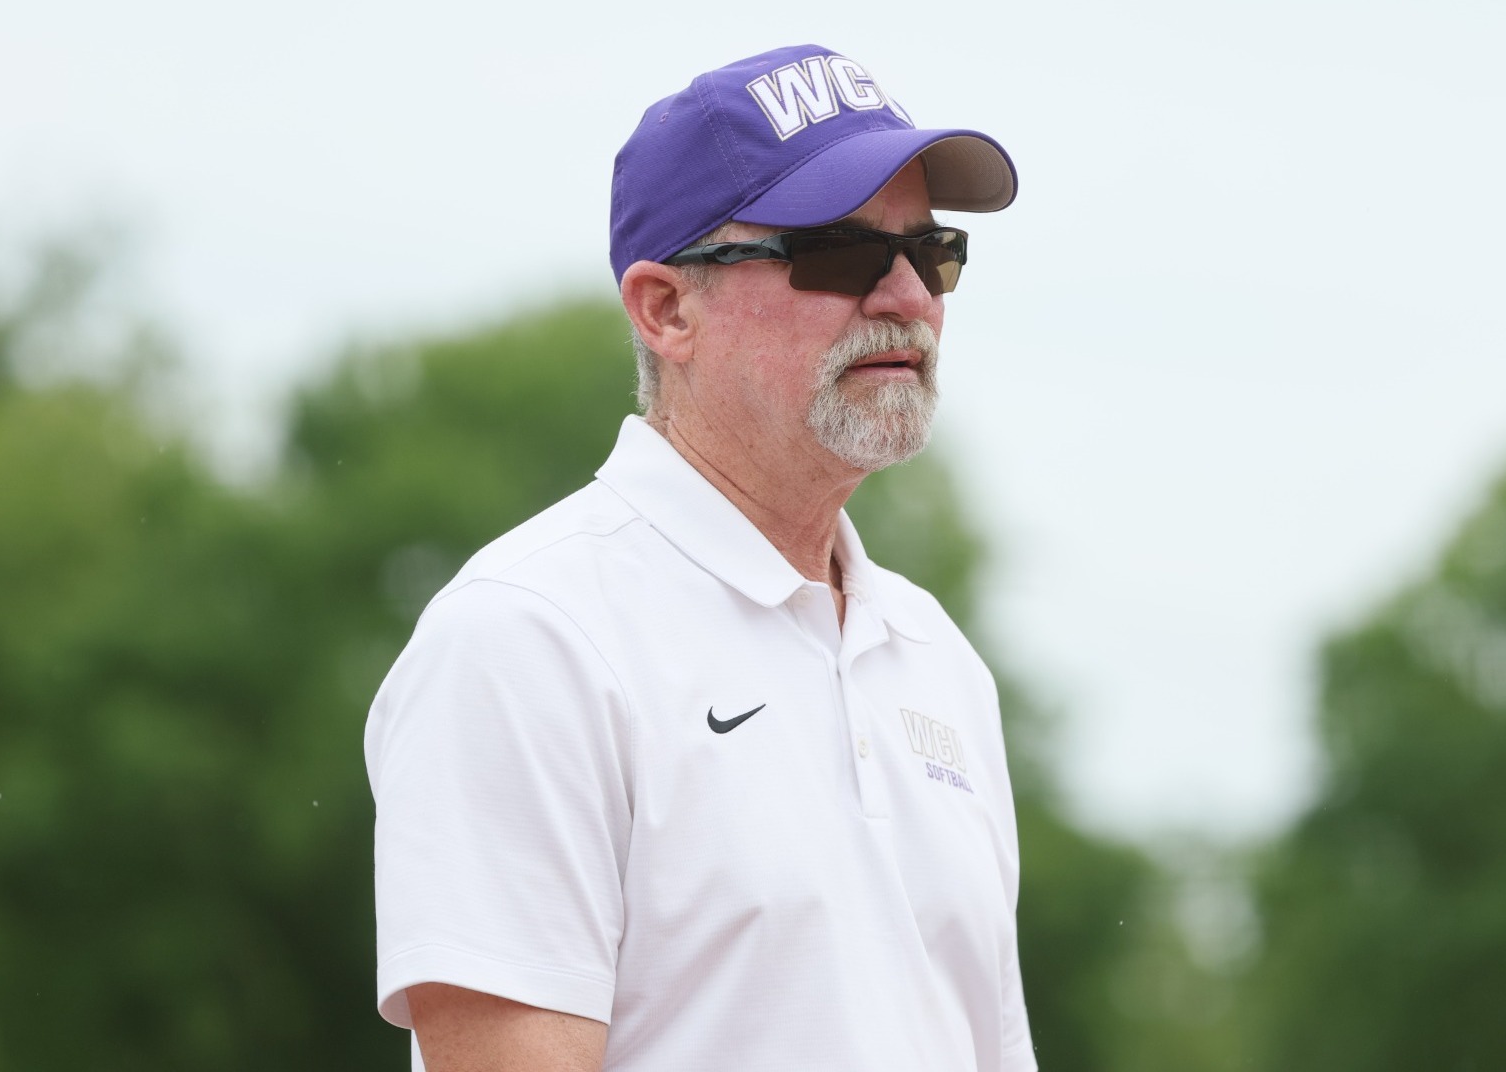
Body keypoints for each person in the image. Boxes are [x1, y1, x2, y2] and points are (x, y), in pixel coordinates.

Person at [365, 43, 1033, 1072]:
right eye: (842, 253)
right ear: (665, 308)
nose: (907, 295)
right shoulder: (529, 637)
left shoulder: (936, 659)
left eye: (932, 251)